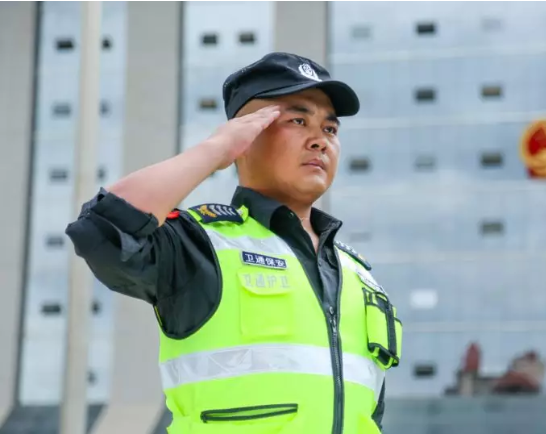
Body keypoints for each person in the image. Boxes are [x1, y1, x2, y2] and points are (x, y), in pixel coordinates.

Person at [65, 52, 402, 434]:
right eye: (298, 121)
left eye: (330, 129)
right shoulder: (202, 244)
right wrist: (216, 150)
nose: (320, 141)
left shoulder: (358, 276)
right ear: (247, 134)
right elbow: (101, 229)